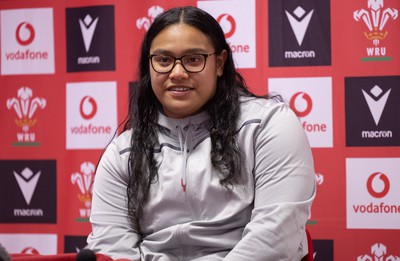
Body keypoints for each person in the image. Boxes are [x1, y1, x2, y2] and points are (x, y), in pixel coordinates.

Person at [87, 6, 316, 261]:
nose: (177, 73)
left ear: (219, 64)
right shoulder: (123, 153)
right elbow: (112, 248)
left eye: (193, 59)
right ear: (149, 67)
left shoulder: (268, 126)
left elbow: (275, 238)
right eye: (163, 60)